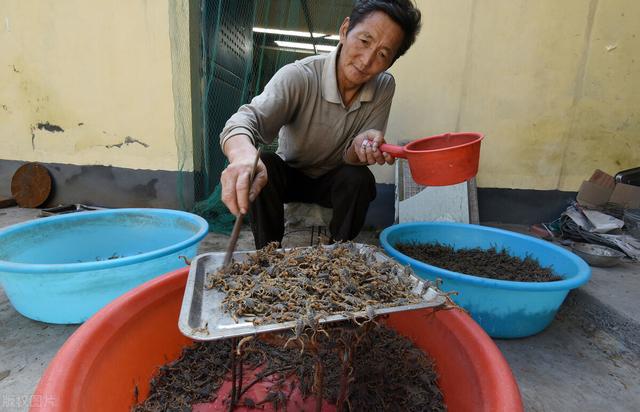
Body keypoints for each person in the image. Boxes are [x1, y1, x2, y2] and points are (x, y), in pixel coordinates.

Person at [219, 0, 422, 249]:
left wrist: (359, 147)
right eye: (364, 41)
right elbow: (242, 121)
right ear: (345, 30)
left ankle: (339, 255)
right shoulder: (299, 76)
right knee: (264, 167)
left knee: (359, 178)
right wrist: (242, 157)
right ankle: (267, 254)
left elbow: (352, 159)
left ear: (390, 61)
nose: (367, 60)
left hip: (333, 180)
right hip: (292, 174)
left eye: (382, 54)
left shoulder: (383, 86)